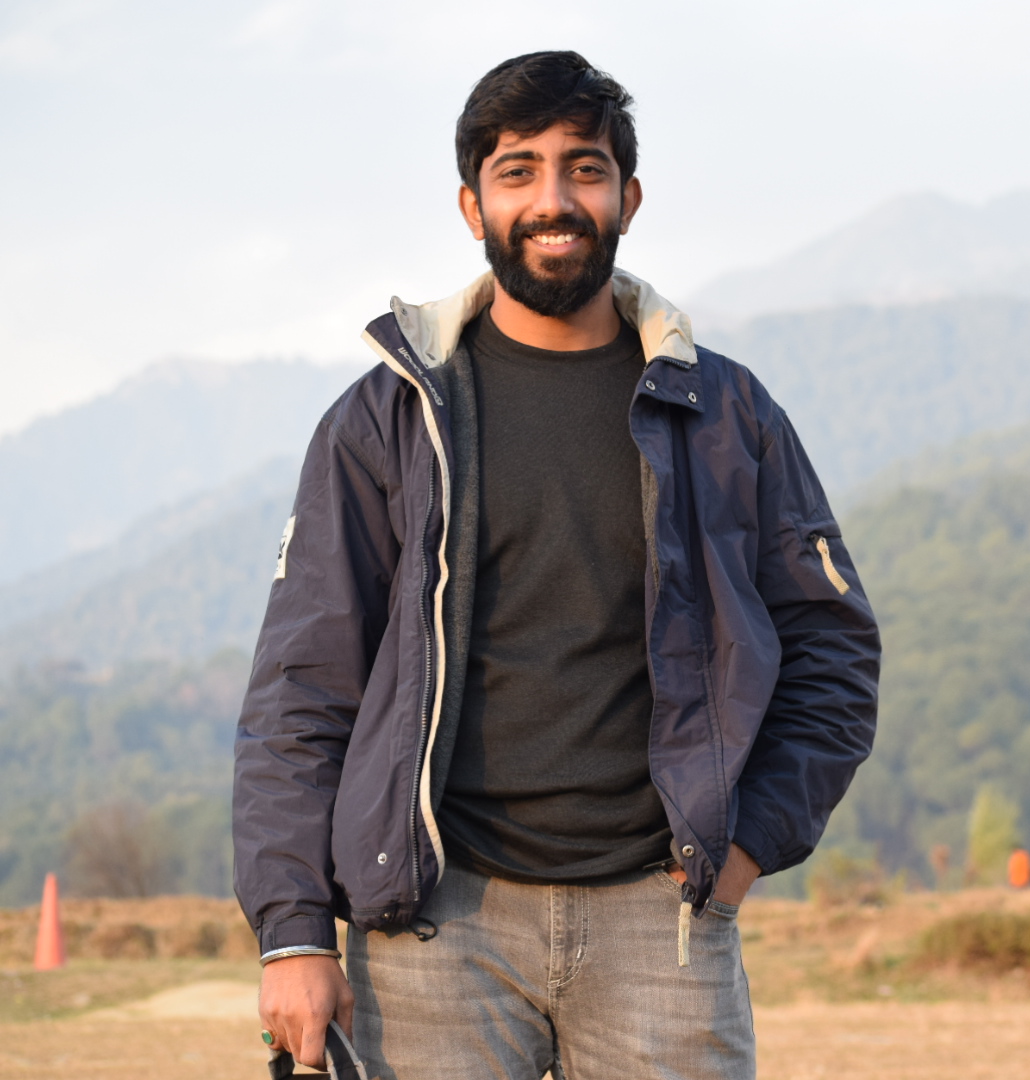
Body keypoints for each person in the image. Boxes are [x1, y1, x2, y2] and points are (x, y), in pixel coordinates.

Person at [233, 51, 881, 1080]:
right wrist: (294, 931)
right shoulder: (388, 420)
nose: (553, 199)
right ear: (471, 202)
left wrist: (746, 848)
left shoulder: (727, 415)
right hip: (433, 932)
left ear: (628, 195)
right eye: (519, 170)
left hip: (659, 927)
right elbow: (302, 692)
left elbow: (832, 652)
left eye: (583, 169)